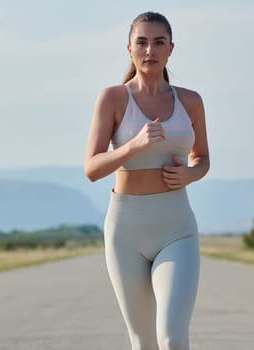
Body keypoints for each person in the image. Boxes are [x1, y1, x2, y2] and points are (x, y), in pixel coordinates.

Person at [84, 11, 210, 350]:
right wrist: (134, 145)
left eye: (158, 43)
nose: (149, 51)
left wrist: (190, 174)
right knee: (144, 342)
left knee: (174, 338)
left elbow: (203, 159)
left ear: (171, 49)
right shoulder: (112, 98)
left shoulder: (191, 102)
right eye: (142, 43)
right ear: (129, 49)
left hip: (176, 228)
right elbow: (92, 168)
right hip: (126, 231)